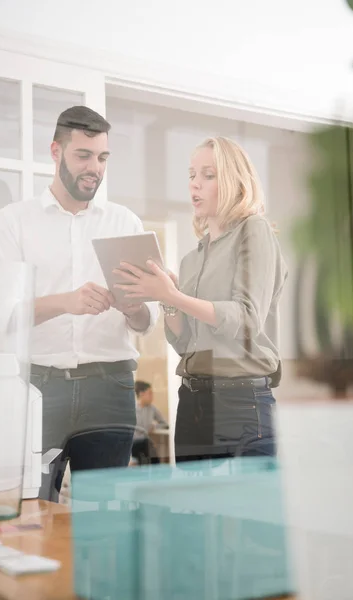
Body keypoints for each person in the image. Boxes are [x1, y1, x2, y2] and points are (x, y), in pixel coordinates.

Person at [0, 105, 159, 495]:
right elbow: (1, 315)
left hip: (111, 388)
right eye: (83, 155)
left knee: (103, 519)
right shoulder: (14, 221)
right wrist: (66, 302)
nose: (94, 168)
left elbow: (146, 320)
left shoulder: (125, 222)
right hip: (39, 388)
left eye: (102, 158)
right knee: (32, 506)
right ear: (55, 152)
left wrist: (134, 308)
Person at [114, 136, 288, 463]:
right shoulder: (191, 261)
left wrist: (174, 295)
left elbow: (246, 318)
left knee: (247, 512)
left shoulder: (255, 231)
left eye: (208, 175)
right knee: (197, 512)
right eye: (192, 175)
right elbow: (186, 346)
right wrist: (167, 298)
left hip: (241, 402)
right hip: (192, 402)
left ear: (236, 181)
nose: (195, 185)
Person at [131, 380, 168, 464]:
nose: (152, 396)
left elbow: (164, 423)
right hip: (133, 444)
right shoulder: (132, 409)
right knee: (147, 444)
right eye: (150, 393)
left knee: (146, 443)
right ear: (141, 394)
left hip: (144, 443)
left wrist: (154, 427)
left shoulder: (152, 409)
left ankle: (156, 468)